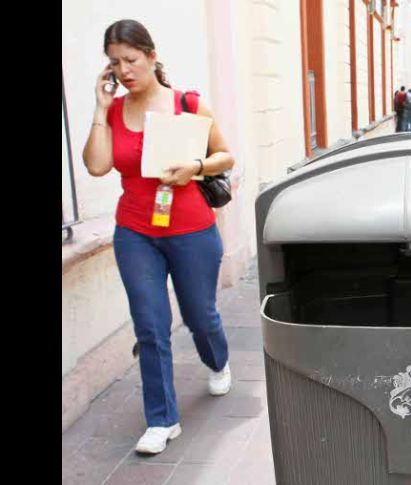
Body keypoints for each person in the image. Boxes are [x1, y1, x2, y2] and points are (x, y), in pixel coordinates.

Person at [82, 19, 234, 456]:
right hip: (135, 232)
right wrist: (99, 108)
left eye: (131, 59)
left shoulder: (188, 104)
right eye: (115, 63)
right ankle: (162, 419)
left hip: (192, 230)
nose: (124, 70)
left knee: (200, 316)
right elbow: (96, 166)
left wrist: (196, 167)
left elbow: (225, 155)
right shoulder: (114, 112)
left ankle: (218, 360)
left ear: (151, 56)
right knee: (149, 325)